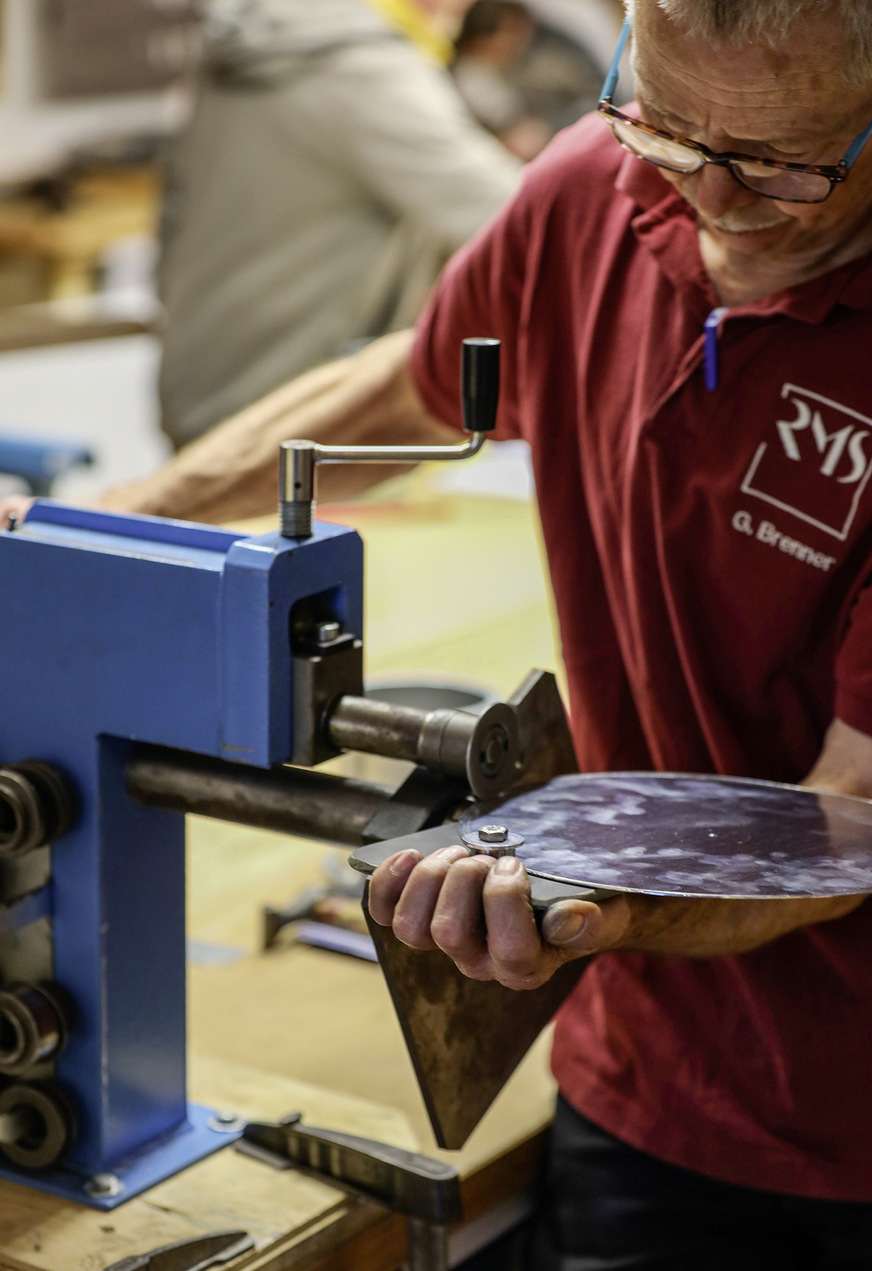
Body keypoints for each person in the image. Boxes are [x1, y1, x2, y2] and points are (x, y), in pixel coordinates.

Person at [6, 0, 872, 1263]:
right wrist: (89, 529)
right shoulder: (590, 192)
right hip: (632, 1066)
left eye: (783, 161)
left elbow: (847, 816)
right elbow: (400, 381)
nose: (716, 199)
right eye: (669, 130)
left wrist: (584, 893)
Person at [156, 0, 521, 447]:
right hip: (295, 411)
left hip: (207, 381)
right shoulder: (360, 66)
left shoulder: (258, 41)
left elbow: (173, 213)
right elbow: (514, 223)